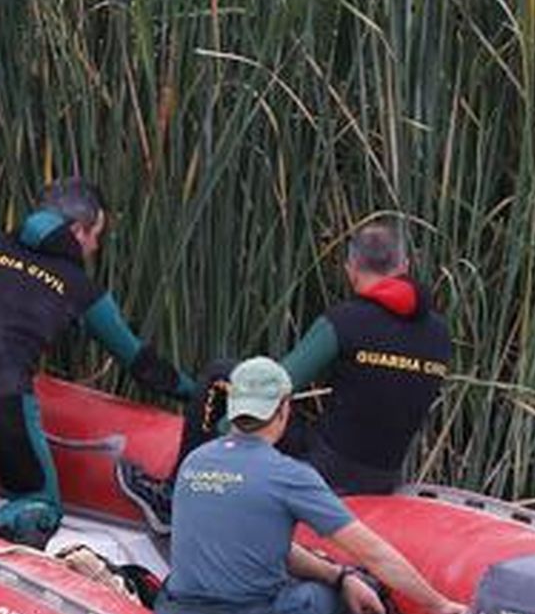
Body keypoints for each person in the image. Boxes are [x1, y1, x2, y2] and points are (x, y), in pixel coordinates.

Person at [0, 177, 193, 546]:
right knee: (38, 506)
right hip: (0, 400)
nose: (94, 247)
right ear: (76, 230)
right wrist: (198, 392)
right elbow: (141, 363)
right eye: (95, 236)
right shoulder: (77, 285)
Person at [153, 357, 469, 614]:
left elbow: (263, 547)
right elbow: (374, 554)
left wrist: (341, 575)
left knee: (334, 587)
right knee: (334, 603)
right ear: (284, 409)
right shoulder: (288, 476)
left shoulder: (195, 461)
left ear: (233, 407)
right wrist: (439, 604)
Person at [117, 218, 451, 531]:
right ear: (404, 267)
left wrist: (225, 432)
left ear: (351, 270)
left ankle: (173, 501)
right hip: (384, 475)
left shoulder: (345, 321)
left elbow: (272, 386)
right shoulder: (440, 333)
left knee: (221, 375)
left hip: (326, 469)